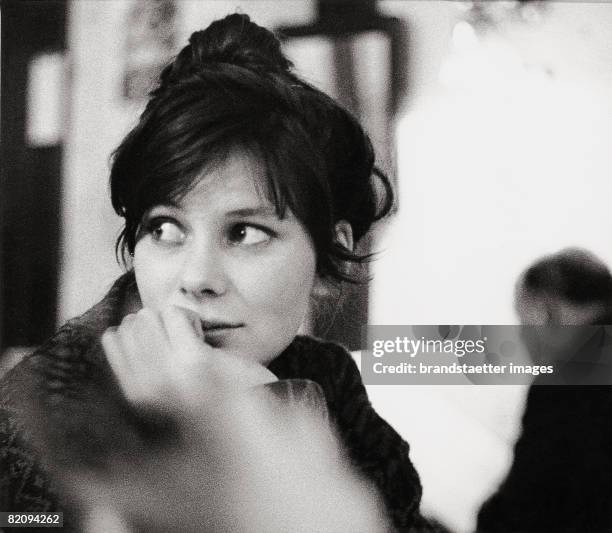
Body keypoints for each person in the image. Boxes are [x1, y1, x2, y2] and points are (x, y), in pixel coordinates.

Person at [0, 14, 444, 533]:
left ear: (330, 254)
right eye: (165, 228)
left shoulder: (327, 378)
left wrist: (269, 408)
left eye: (245, 233)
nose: (196, 278)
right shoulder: (41, 408)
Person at [477, 248, 612, 532]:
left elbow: (526, 504)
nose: (523, 339)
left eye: (524, 323)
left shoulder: (562, 384)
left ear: (548, 311)